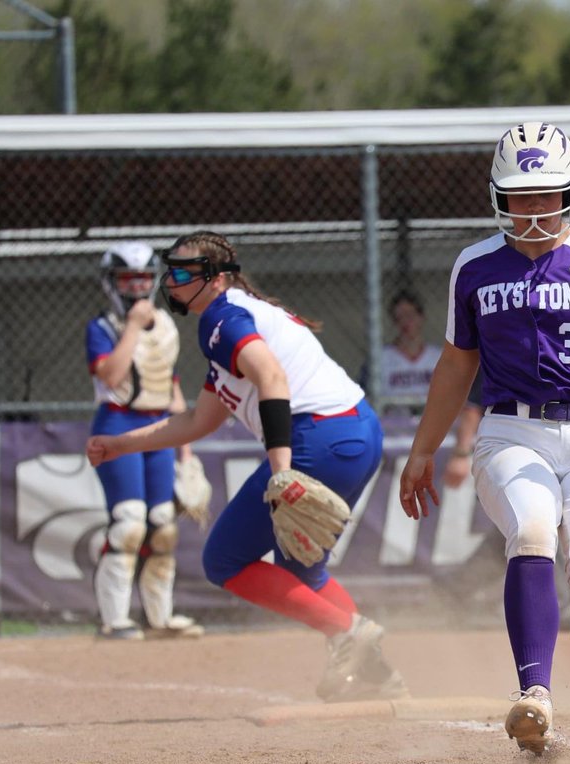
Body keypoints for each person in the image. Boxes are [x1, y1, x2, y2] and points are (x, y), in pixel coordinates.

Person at [398, 122, 570, 763]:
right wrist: (424, 448)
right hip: (512, 430)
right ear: (499, 195)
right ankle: (534, 696)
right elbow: (457, 364)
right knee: (534, 529)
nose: (535, 206)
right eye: (521, 194)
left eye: (546, 192)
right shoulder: (476, 264)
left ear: (569, 191)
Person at [86, 230, 406, 702]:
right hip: (357, 433)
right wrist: (120, 444)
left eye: (184, 273)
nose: (171, 281)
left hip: (317, 436)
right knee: (302, 569)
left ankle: (347, 633)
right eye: (171, 271)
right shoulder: (233, 321)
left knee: (224, 559)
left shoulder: (223, 316)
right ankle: (378, 677)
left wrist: (281, 471)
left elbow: (271, 376)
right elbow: (197, 421)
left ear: (216, 279)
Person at [86, 242, 204, 641]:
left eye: (141, 279)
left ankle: (160, 617)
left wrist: (186, 452)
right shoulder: (102, 327)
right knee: (129, 521)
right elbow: (111, 376)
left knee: (163, 524)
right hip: (119, 423)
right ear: (111, 284)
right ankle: (114, 619)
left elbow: (171, 389)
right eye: (126, 280)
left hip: (160, 427)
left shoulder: (167, 326)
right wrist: (133, 327)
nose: (136, 288)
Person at [375, 289, 443, 411]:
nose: (406, 322)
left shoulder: (438, 356)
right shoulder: (381, 358)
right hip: (394, 421)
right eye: (400, 317)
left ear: (421, 317)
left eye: (410, 315)